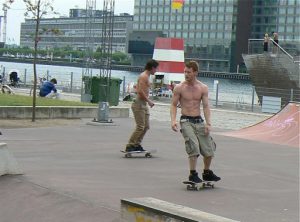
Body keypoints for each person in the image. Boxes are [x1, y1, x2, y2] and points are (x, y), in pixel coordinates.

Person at [170, 61, 220, 183]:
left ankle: (207, 172)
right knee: (193, 146)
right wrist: (173, 120)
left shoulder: (202, 88)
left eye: (189, 72)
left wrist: (208, 123)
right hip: (186, 120)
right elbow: (173, 105)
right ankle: (193, 174)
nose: (186, 74)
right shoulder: (179, 87)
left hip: (199, 120)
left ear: (195, 72)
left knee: (209, 150)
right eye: (185, 72)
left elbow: (206, 106)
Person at [125, 59, 159, 152]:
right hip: (139, 103)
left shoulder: (147, 77)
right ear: (152, 68)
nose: (156, 71)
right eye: (156, 69)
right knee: (140, 126)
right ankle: (130, 145)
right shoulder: (143, 76)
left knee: (146, 126)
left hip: (143, 104)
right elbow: (140, 91)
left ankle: (137, 144)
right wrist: (149, 101)